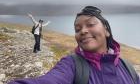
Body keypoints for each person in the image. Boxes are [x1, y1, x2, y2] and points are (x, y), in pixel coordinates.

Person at [8, 6, 140, 84]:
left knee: (38, 43)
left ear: (106, 30)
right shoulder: (71, 65)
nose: (83, 31)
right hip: (36, 35)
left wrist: (48, 22)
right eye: (77, 29)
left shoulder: (127, 67)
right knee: (37, 43)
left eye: (90, 24)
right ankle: (36, 50)